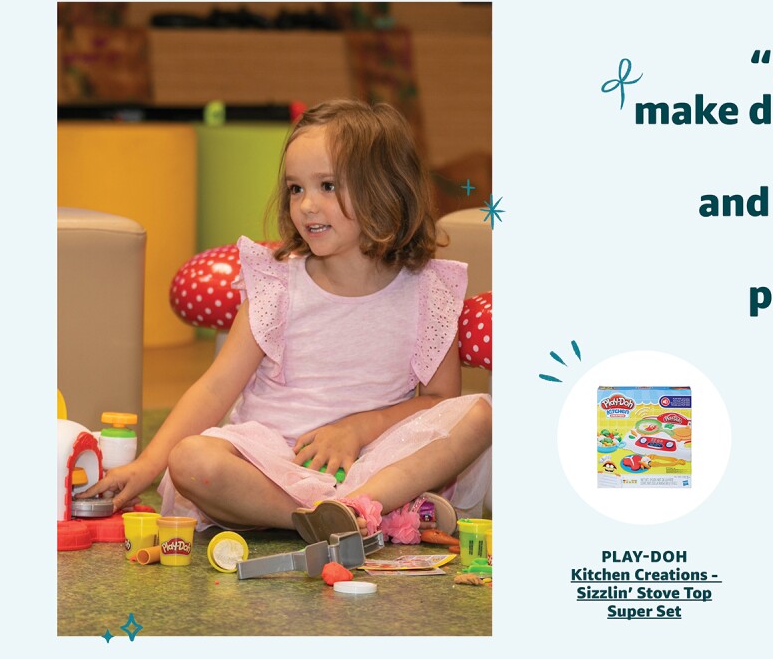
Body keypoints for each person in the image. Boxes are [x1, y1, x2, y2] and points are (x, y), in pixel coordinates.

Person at [80, 100, 492, 544]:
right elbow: (215, 388)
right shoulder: (277, 284)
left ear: (386, 190)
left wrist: (356, 428)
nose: (307, 205)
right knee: (192, 461)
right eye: (296, 189)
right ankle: (332, 519)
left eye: (328, 186)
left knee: (481, 414)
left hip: (375, 464)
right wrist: (147, 466)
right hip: (272, 461)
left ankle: (361, 507)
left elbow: (439, 401)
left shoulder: (428, 290)